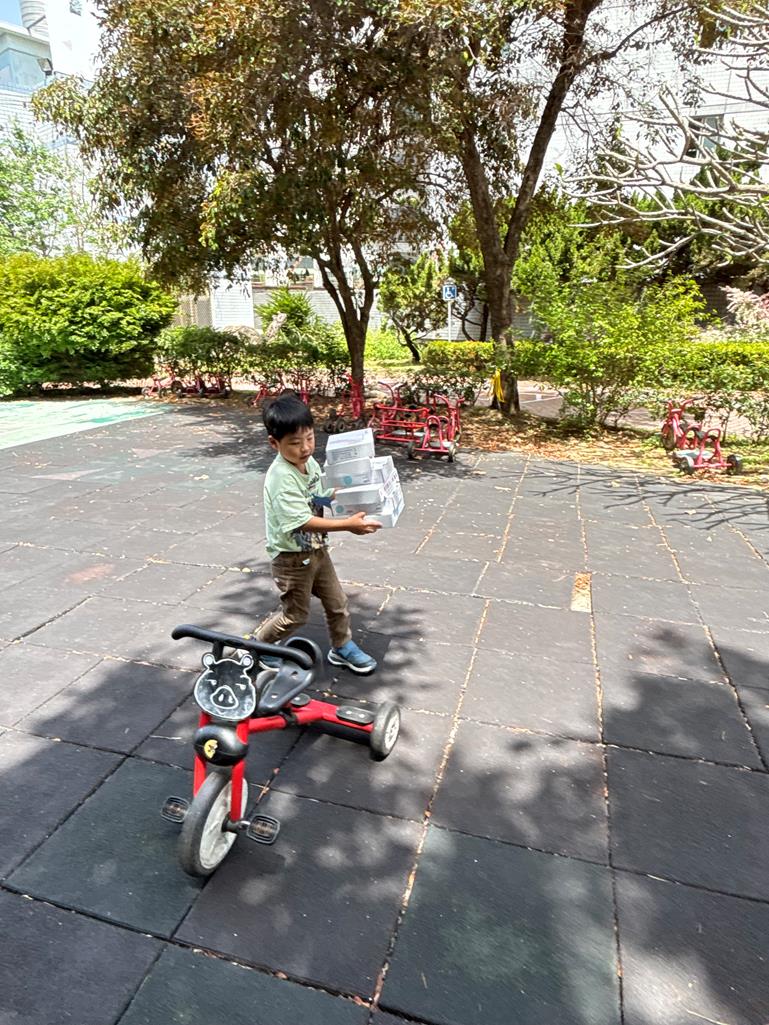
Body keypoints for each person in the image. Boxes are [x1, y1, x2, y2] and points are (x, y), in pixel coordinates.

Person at [255, 393, 381, 674]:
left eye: (310, 438)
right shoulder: (281, 478)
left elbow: (319, 494)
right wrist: (348, 524)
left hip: (315, 550)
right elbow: (301, 521)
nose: (305, 448)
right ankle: (261, 646)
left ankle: (342, 647)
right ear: (274, 443)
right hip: (290, 558)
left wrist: (350, 490)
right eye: (295, 443)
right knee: (295, 615)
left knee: (338, 602)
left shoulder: (308, 463)